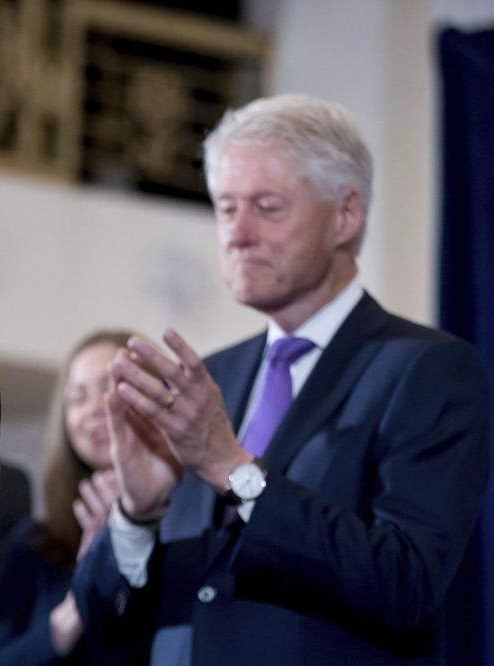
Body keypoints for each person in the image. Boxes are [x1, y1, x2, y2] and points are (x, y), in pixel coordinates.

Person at [72, 94, 489, 665]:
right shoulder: (209, 379)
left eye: (267, 207)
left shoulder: (428, 370)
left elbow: (405, 584)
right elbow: (106, 622)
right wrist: (138, 512)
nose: (237, 233)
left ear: (346, 215)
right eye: (225, 208)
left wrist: (233, 469)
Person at [0, 331, 152, 666]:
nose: (95, 408)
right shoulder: (35, 545)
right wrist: (76, 604)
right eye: (77, 397)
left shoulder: (194, 525)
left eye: (110, 387)